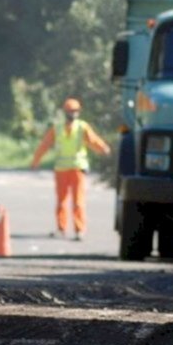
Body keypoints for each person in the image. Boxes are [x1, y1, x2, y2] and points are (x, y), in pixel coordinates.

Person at [31, 98, 111, 241]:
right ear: (65, 112)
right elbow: (45, 144)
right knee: (61, 201)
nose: (72, 114)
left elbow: (93, 141)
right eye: (70, 111)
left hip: (77, 169)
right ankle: (61, 229)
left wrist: (104, 149)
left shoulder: (82, 127)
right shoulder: (57, 128)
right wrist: (36, 160)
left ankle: (79, 230)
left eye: (75, 111)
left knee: (78, 202)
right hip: (61, 170)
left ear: (79, 112)